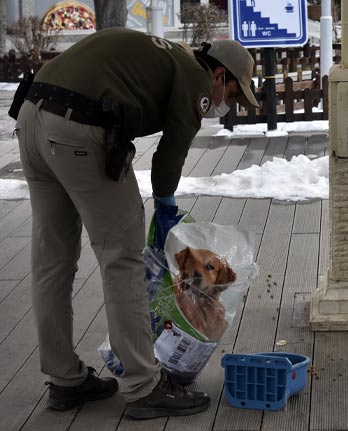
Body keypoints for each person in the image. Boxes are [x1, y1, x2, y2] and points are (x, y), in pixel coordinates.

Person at [14, 28, 258, 419]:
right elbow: (169, 156)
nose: (225, 104)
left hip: (30, 117)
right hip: (78, 128)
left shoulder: (162, 55)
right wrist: (165, 203)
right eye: (231, 95)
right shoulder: (195, 76)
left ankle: (64, 379)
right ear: (218, 76)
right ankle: (144, 386)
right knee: (122, 257)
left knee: (52, 261)